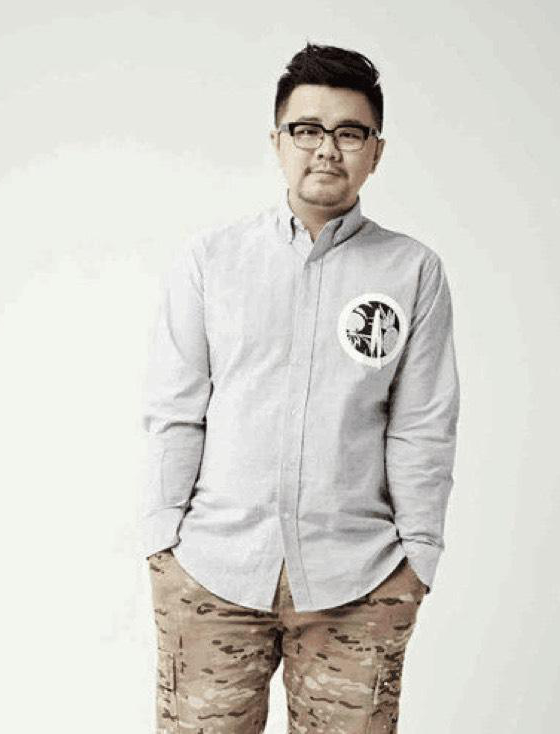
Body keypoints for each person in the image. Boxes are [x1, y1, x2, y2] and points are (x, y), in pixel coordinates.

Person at [141, 42, 461, 733]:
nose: (327, 149)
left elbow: (422, 425)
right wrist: (163, 543)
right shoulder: (211, 261)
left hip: (359, 583)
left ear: (376, 151)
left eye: (350, 133)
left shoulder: (412, 271)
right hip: (213, 576)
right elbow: (175, 411)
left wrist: (418, 558)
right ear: (278, 141)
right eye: (308, 129)